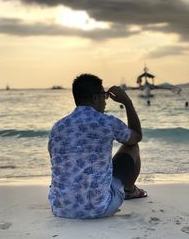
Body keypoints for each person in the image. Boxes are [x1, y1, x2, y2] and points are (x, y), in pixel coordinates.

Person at [48, 73, 147, 219]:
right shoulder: (106, 122)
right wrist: (127, 102)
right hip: (100, 207)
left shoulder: (58, 127)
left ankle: (70, 195)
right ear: (95, 97)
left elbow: (56, 160)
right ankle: (129, 190)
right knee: (132, 147)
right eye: (104, 96)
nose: (105, 102)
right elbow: (136, 136)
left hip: (61, 208)